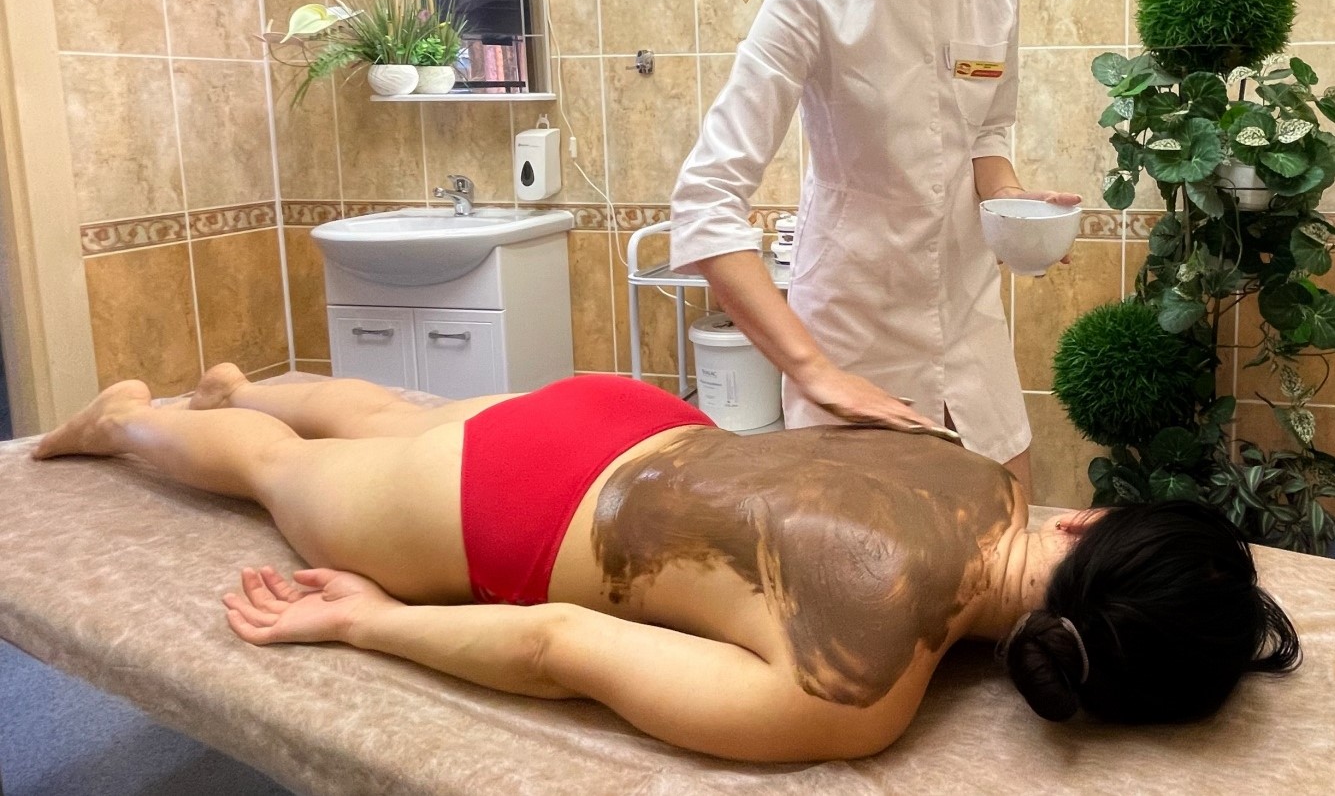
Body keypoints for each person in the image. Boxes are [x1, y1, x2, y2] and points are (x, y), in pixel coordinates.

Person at [34, 367, 1299, 762]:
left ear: (1081, 524)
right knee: (274, 471)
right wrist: (367, 620)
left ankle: (243, 380)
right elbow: (560, 645)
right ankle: (123, 424)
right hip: (542, 513)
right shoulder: (859, 689)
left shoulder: (979, 470)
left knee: (383, 415)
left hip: (632, 417)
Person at [670, 0, 1080, 496]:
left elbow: (986, 136)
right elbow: (704, 200)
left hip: (972, 345)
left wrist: (1014, 209)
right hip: (854, 352)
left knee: (1004, 548)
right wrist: (814, 370)